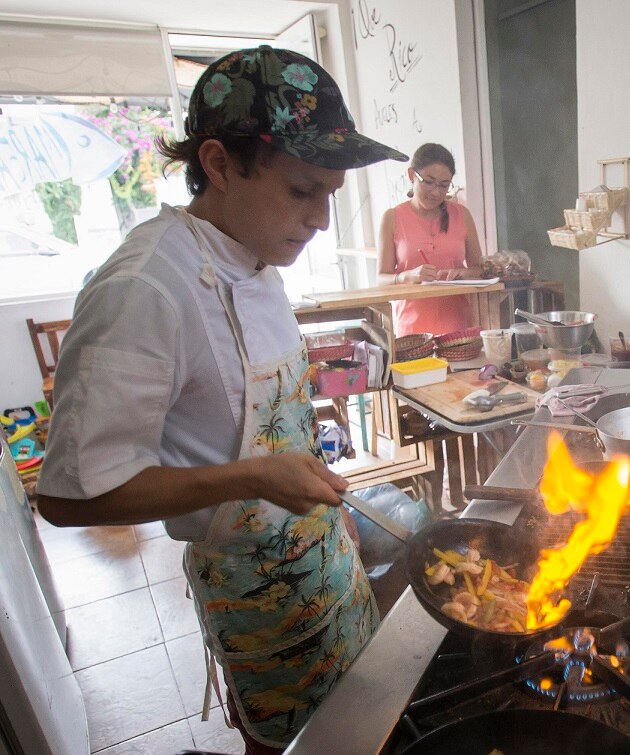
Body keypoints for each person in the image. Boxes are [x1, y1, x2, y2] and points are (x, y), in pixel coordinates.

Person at [35, 46, 408, 754]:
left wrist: (331, 525)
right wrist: (251, 478)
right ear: (218, 161)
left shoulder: (256, 255)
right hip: (256, 599)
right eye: (303, 191)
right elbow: (70, 496)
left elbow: (266, 417)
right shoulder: (143, 287)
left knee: (364, 733)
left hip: (329, 566)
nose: (322, 219)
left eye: (330, 193)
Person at [377, 143, 484, 335]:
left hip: (459, 331)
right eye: (428, 182)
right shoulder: (392, 218)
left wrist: (460, 274)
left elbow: (480, 270)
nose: (436, 192)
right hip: (412, 333)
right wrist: (405, 277)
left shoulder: (462, 215)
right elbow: (381, 279)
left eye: (444, 186)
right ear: (411, 175)